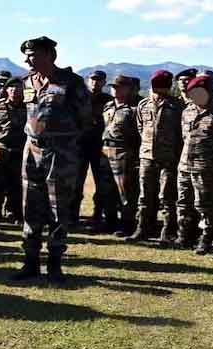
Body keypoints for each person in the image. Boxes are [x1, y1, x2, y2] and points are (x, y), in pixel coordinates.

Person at [12, 36, 90, 283]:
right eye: (26, 56)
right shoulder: (26, 81)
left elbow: (85, 117)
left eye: (32, 55)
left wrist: (65, 139)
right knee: (30, 207)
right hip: (31, 150)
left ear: (49, 55)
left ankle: (55, 265)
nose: (27, 60)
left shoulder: (71, 82)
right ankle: (30, 262)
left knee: (59, 208)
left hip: (61, 152)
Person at [126, 70, 183, 245]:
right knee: (144, 196)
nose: (159, 89)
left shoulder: (177, 106)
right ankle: (143, 228)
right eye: (157, 85)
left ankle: (168, 231)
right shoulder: (143, 105)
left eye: (163, 85)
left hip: (169, 158)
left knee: (167, 197)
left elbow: (181, 133)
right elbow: (140, 128)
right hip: (147, 156)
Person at [177, 74, 213, 254]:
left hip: (208, 166)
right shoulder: (188, 110)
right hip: (185, 164)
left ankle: (207, 237)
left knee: (205, 204)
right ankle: (185, 234)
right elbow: (184, 137)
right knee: (184, 201)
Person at [95, 75, 140, 236]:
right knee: (106, 189)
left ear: (128, 89)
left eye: (119, 87)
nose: (115, 90)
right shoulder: (108, 106)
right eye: (113, 87)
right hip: (106, 150)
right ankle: (109, 221)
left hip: (124, 151)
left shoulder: (134, 108)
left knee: (125, 190)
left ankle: (127, 224)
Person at [72, 70, 112, 228]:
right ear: (87, 80)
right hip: (80, 146)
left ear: (104, 82)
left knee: (101, 183)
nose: (95, 82)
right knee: (76, 182)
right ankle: (72, 215)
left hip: (99, 147)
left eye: (99, 80)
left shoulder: (108, 100)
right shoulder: (79, 98)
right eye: (93, 79)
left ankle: (98, 215)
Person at [0, 77, 26, 224]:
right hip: (1, 149)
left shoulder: (28, 107)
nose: (14, 90)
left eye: (18, 88)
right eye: (11, 88)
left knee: (17, 184)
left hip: (20, 150)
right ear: (7, 90)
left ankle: (13, 213)